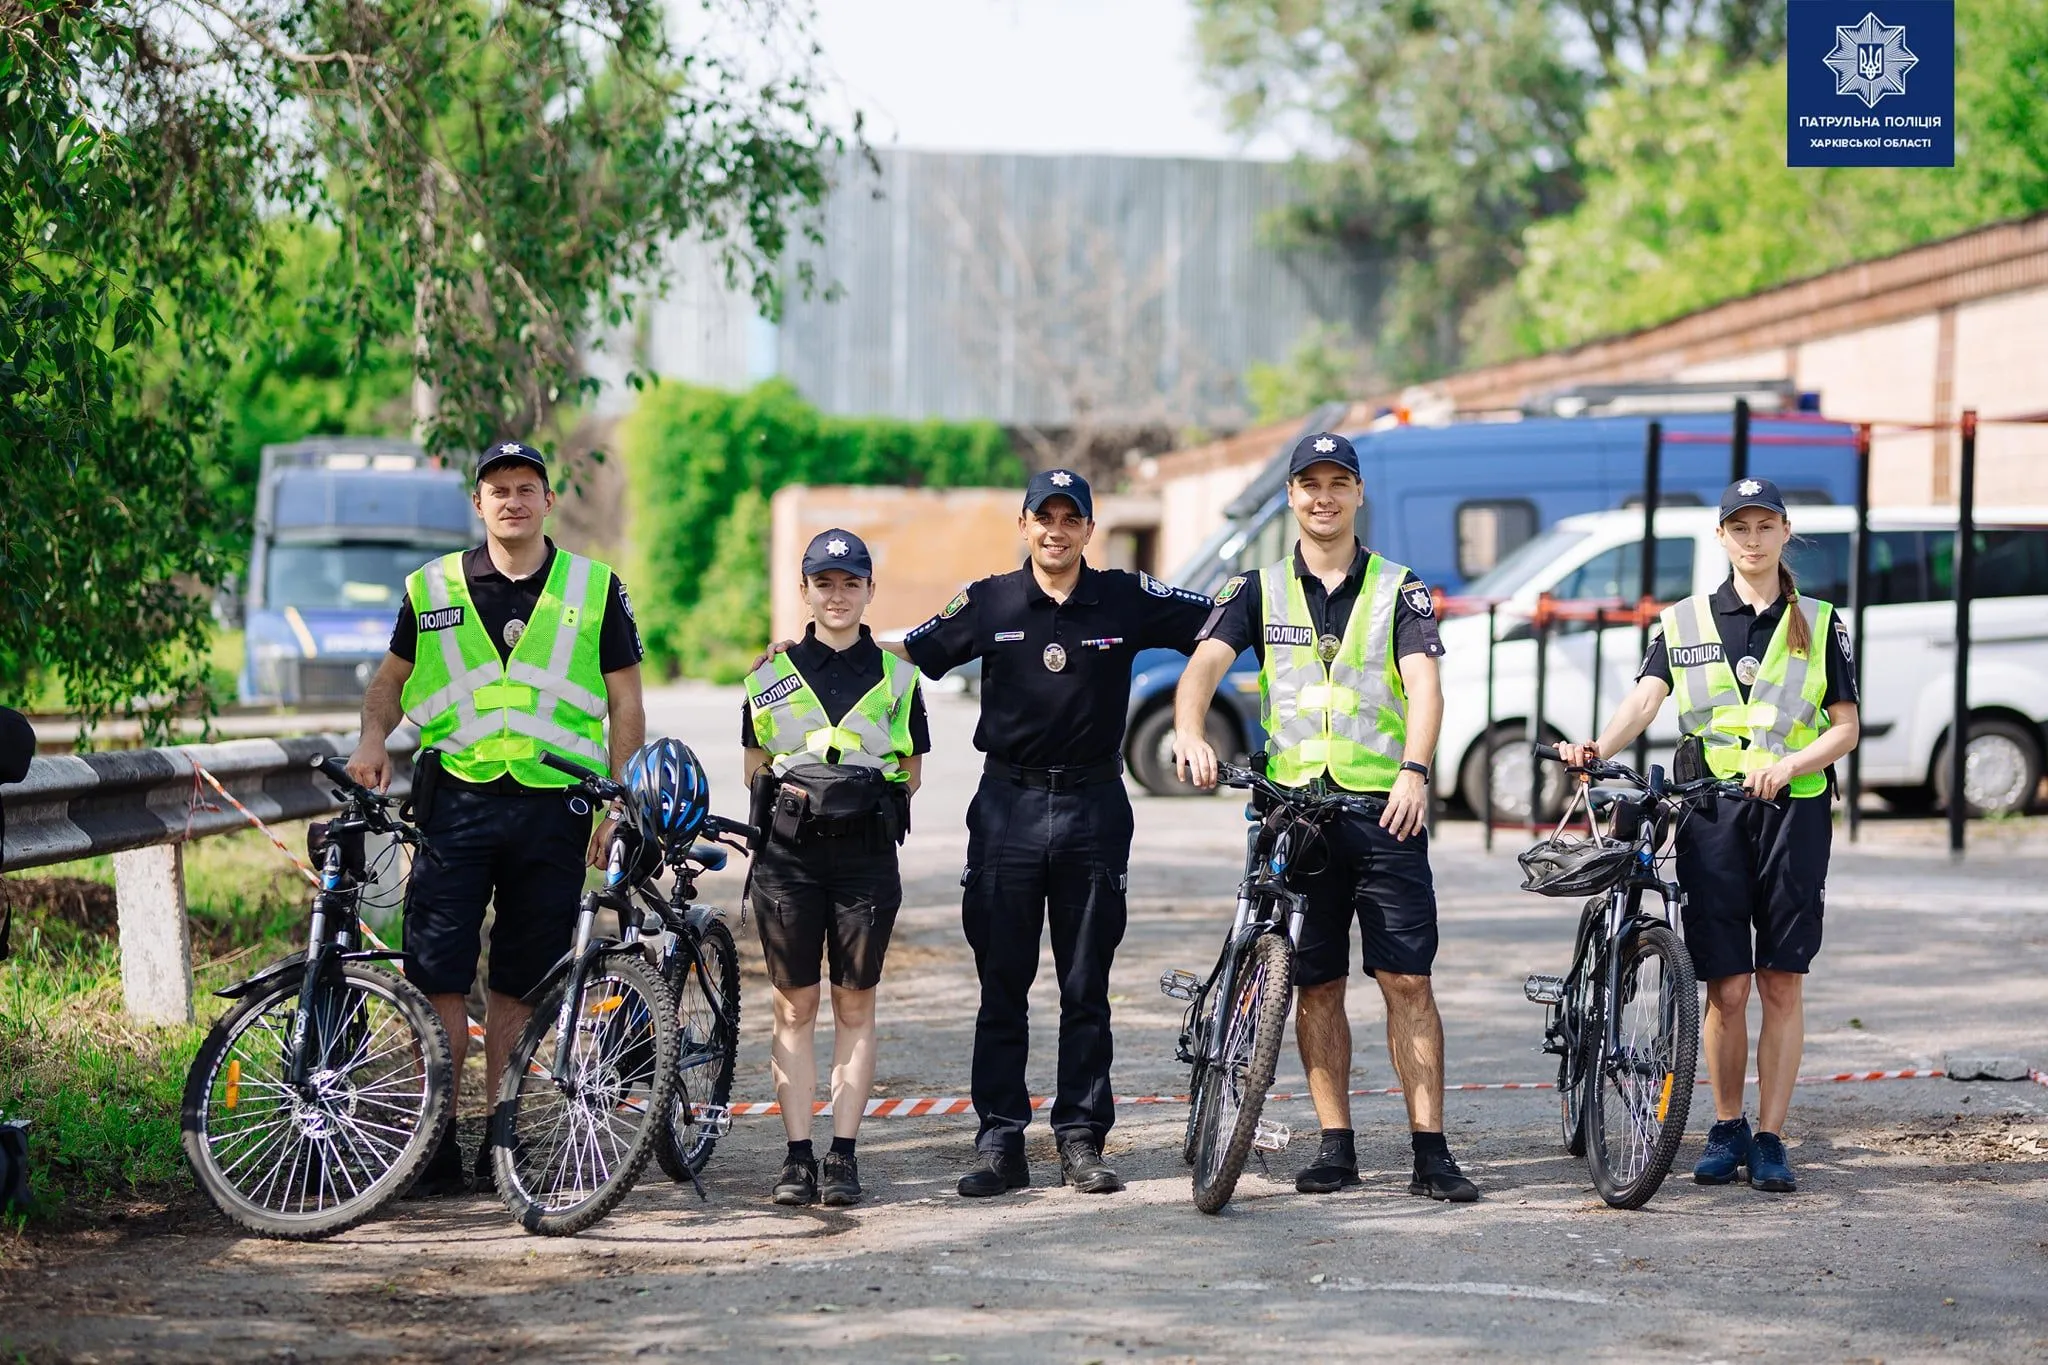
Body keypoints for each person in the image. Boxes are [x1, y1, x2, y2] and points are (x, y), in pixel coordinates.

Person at [1172, 431, 1478, 1203]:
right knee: (1315, 987)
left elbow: (1426, 687)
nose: (1324, 496)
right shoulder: (1256, 588)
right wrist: (1187, 729)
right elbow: (1203, 666)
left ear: (1358, 494)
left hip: (1384, 810)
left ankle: (1430, 1148)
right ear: (1291, 496)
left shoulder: (1399, 588)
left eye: (1339, 482)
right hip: (1292, 813)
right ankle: (1334, 1144)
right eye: (1310, 483)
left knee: (1408, 979)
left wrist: (1415, 768)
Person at [345, 440, 646, 1196]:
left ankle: (502, 1137)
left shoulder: (595, 587)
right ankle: (436, 1137)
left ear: (549, 501)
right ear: (478, 505)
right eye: (497, 489)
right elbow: (391, 681)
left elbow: (626, 703)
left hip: (555, 805)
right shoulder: (433, 586)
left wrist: (619, 797)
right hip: (459, 803)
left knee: (518, 977)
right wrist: (372, 735)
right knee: (437, 972)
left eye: (526, 487)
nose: (512, 499)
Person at [902, 468, 1213, 1197]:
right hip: (1007, 804)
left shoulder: (1126, 597)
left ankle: (1080, 1137)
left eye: (1071, 518)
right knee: (1001, 982)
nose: (1056, 529)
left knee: (1085, 985)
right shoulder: (990, 600)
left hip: (1093, 806)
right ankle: (1000, 1142)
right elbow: (910, 656)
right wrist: (809, 658)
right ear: (1024, 523)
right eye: (1045, 516)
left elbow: (1222, 620)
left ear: (1087, 530)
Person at [1558, 477, 1859, 1194]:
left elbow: (1844, 727)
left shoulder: (1820, 620)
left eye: (1765, 526)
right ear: (1721, 537)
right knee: (1725, 986)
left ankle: (1771, 1137)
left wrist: (1790, 763)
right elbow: (1646, 696)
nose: (1753, 540)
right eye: (1739, 528)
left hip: (1794, 811)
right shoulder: (1683, 620)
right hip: (1710, 814)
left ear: (1786, 532)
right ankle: (1725, 1126)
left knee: (1781, 980)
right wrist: (1598, 744)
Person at [742, 529, 928, 1209]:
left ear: (870, 589)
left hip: (865, 860)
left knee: (855, 1003)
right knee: (794, 1004)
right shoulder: (766, 677)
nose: (838, 594)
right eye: (825, 582)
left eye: (852, 582)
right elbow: (753, 769)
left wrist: (857, 800)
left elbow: (910, 771)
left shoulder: (899, 677)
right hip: (788, 860)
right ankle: (797, 1158)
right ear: (805, 591)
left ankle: (843, 1157)